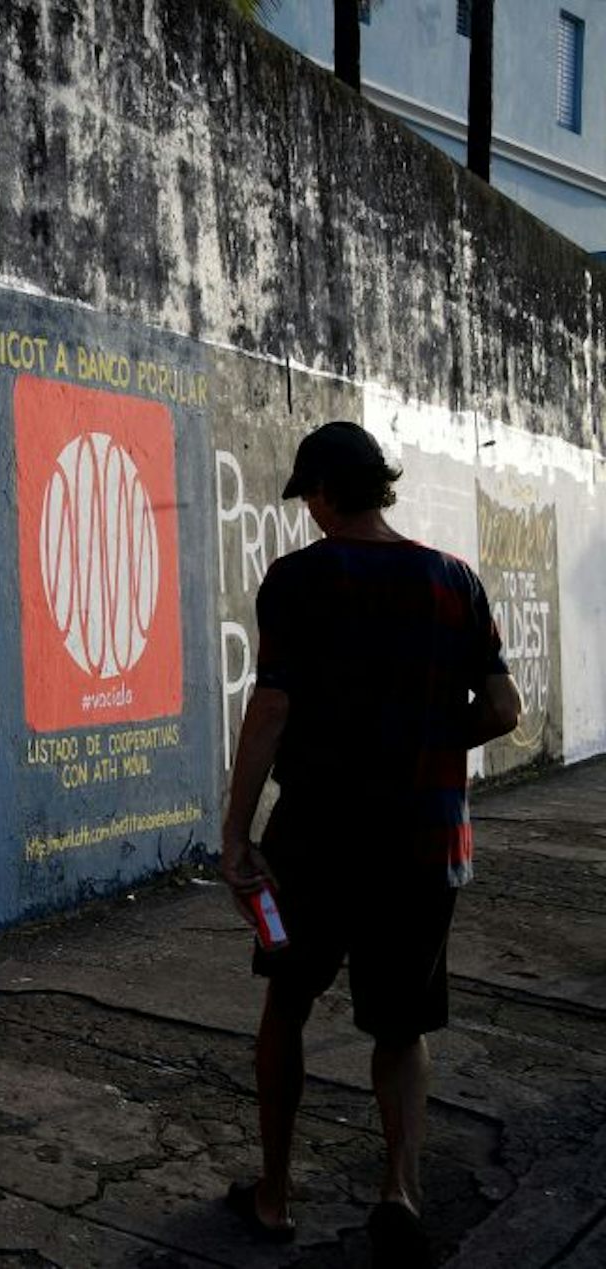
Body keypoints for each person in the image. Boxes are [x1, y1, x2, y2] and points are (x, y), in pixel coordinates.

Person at [219, 421, 521, 1265]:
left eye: (308, 498)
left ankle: (274, 1198)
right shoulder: (454, 581)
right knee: (401, 1024)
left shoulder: (296, 581)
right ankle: (400, 1190)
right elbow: (503, 711)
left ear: (321, 494)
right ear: (380, 487)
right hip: (423, 845)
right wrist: (421, 739)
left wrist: (236, 829)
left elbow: (271, 708)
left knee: (287, 1006)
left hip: (314, 841)